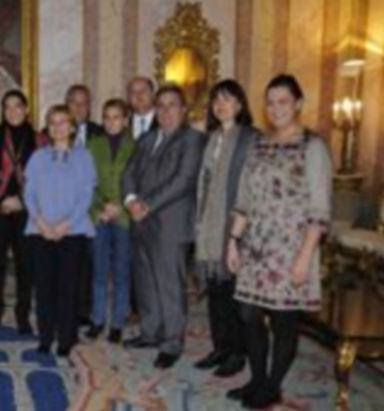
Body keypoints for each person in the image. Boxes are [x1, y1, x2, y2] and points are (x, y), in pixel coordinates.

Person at [225, 74, 332, 408]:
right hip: (256, 246)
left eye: (283, 101)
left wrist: (304, 257)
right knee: (247, 313)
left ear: (298, 103)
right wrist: (233, 241)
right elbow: (245, 198)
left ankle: (271, 387)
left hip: (291, 249)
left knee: (284, 319)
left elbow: (319, 210)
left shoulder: (313, 147)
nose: (276, 108)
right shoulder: (259, 144)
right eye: (270, 102)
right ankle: (258, 379)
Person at [122, 85, 206, 369]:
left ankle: (171, 343)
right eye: (161, 106)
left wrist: (146, 205)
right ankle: (151, 332)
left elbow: (183, 180)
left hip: (170, 224)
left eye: (172, 105)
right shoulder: (146, 139)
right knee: (145, 282)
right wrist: (131, 200)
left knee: (170, 285)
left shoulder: (193, 139)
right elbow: (129, 172)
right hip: (140, 221)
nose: (166, 111)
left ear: (184, 110)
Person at [193, 79, 260, 377]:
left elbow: (252, 188)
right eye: (217, 100)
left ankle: (237, 353)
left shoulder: (251, 138)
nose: (221, 105)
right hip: (209, 225)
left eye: (228, 99)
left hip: (236, 225)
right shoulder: (212, 138)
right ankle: (220, 347)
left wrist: (237, 230)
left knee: (234, 295)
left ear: (241, 104)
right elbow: (204, 185)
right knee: (217, 292)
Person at [25, 105, 96, 357]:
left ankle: (67, 338)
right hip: (40, 231)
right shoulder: (38, 157)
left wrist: (66, 224)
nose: (58, 127)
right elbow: (29, 194)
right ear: (48, 128)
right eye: (53, 122)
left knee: (68, 287)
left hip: (73, 231)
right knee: (44, 287)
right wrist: (42, 223)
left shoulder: (84, 157)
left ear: (72, 127)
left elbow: (86, 196)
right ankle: (45, 336)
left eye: (63, 122)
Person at [0, 90, 42, 334]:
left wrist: (22, 201)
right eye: (8, 107)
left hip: (27, 211)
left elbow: (43, 181)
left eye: (18, 106)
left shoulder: (40, 140)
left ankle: (22, 315)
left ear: (26, 109)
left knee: (25, 266)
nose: (13, 111)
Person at [85, 99, 136, 344]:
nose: (111, 122)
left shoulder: (136, 146)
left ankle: (117, 323)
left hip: (125, 217)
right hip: (99, 214)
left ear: (126, 120)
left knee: (121, 272)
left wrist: (120, 206)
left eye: (117, 117)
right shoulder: (92, 145)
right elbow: (86, 182)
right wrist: (102, 206)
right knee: (98, 271)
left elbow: (139, 182)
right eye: (107, 117)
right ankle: (97, 320)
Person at [65, 84, 103, 328]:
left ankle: (83, 311)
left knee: (88, 263)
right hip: (60, 209)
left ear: (90, 107)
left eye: (84, 103)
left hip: (91, 208)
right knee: (64, 263)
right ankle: (64, 307)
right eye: (74, 102)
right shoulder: (51, 132)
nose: (79, 107)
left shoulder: (101, 133)